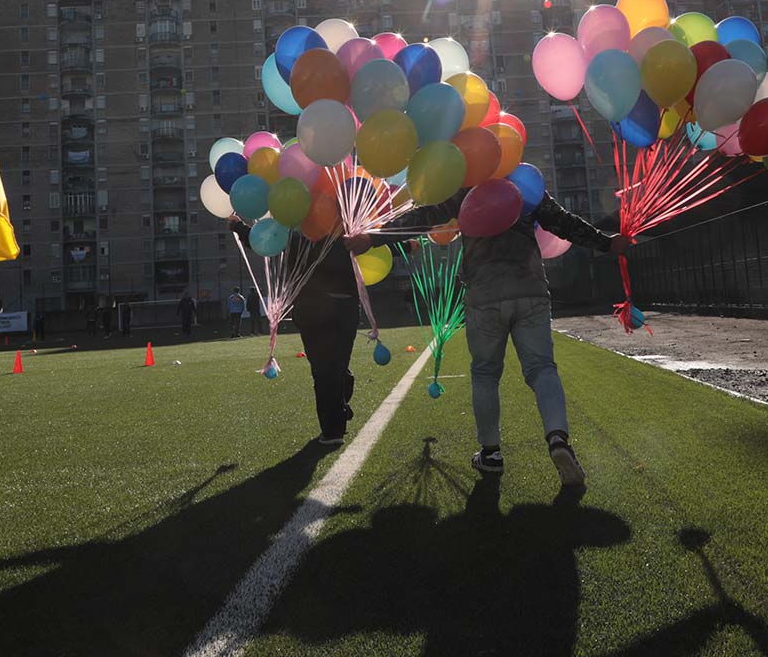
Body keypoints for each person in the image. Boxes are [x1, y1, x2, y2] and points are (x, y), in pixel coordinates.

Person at [348, 189, 630, 487]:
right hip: (529, 287)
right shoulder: (523, 184)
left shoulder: (465, 185)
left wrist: (373, 237)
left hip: (483, 292)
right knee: (542, 368)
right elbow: (562, 221)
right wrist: (607, 243)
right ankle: (558, 439)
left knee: (485, 373)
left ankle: (491, 453)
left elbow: (423, 216)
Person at [232, 220, 357, 446]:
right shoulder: (342, 232)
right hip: (342, 308)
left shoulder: (298, 237)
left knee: (324, 370)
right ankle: (337, 411)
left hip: (314, 309)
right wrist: (408, 246)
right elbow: (370, 242)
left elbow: (263, 240)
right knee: (335, 366)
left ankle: (333, 430)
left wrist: (237, 225)